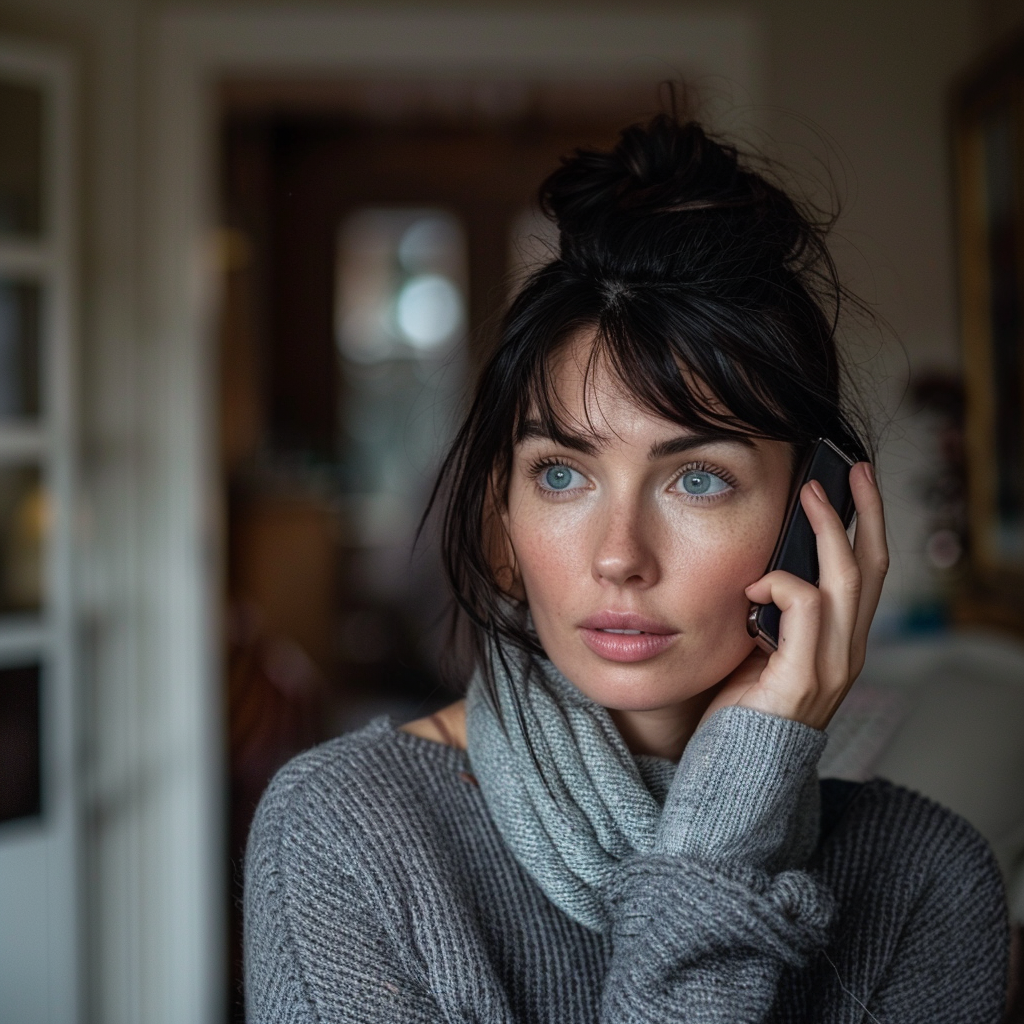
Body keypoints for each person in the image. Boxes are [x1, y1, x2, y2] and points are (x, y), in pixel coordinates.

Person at [243, 114, 1010, 1023]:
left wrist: (736, 804)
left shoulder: (924, 879)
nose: (617, 556)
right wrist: (722, 848)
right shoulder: (346, 832)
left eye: (697, 479)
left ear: (822, 517)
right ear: (507, 504)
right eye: (561, 474)